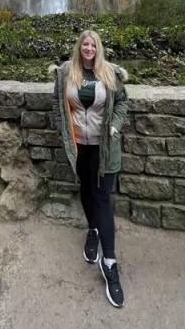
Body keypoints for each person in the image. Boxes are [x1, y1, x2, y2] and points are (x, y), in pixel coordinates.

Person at [50, 29, 128, 308]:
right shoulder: (65, 74)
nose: (88, 48)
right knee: (86, 189)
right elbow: (59, 105)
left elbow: (121, 103)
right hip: (79, 145)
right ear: (78, 47)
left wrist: (115, 125)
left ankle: (109, 263)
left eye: (93, 44)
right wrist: (64, 131)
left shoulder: (111, 74)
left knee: (103, 198)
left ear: (98, 48)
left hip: (106, 147)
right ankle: (92, 230)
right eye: (85, 44)